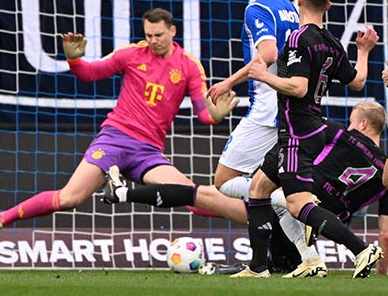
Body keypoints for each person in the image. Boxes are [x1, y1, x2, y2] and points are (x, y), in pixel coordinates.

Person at [0, 8, 240, 240]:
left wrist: (216, 116)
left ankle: (254, 215)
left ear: (173, 31)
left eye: (158, 35)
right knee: (70, 198)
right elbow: (90, 73)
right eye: (148, 35)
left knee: (190, 196)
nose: (153, 41)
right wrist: (74, 60)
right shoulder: (131, 54)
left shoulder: (189, 66)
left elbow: (203, 114)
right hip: (115, 138)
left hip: (148, 152)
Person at [102, 101, 388, 275]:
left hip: (291, 211)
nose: (350, 125)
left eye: (353, 121)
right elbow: (385, 233)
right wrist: (382, 273)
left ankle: (310, 256)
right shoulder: (384, 171)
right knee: (213, 194)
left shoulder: (340, 135)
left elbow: (304, 140)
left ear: (363, 123)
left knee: (213, 190)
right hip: (315, 220)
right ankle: (122, 193)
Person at [239, 0, 380, 278]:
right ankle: (258, 267)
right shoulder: (332, 43)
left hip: (297, 132)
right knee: (258, 188)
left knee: (297, 204)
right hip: (307, 126)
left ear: (299, 1)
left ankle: (361, 249)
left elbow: (299, 87)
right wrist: (364, 51)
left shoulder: (297, 38)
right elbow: (357, 82)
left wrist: (265, 76)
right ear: (328, 6)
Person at [203, 0, 324, 276]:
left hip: (268, 110)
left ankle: (289, 199)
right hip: (293, 109)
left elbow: (267, 54)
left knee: (224, 181)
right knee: (264, 187)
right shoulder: (291, 9)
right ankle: (312, 259)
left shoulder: (257, 8)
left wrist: (228, 82)